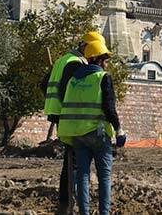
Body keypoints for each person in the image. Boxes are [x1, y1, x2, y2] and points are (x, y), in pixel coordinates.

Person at [57, 40, 122, 215]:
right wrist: (119, 130)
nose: (107, 64)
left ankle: (84, 213)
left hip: (77, 134)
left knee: (82, 176)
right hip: (98, 134)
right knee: (105, 177)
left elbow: (65, 101)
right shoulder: (102, 77)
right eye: (105, 60)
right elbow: (109, 108)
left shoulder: (74, 80)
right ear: (98, 60)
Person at [46, 30, 105, 214]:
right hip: (68, 116)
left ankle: (67, 203)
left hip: (58, 112)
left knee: (71, 160)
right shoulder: (74, 63)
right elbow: (68, 91)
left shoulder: (64, 59)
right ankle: (67, 204)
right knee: (72, 161)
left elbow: (44, 84)